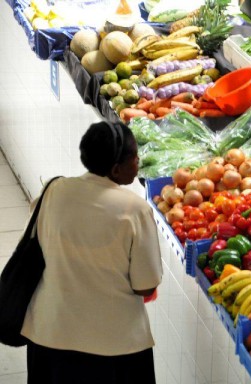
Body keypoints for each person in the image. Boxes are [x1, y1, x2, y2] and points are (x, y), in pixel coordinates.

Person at [21, 121, 163, 383]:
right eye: (134, 156)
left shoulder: (53, 190)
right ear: (116, 169)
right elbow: (146, 285)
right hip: (114, 346)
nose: (138, 161)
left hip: (50, 335)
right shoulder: (135, 209)